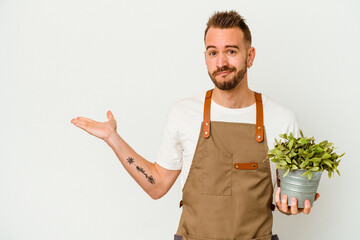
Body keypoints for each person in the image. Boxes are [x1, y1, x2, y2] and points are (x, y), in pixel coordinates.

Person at [71, 10, 320, 240]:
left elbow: (291, 197)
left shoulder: (281, 118)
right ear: (205, 57)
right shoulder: (183, 113)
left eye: (231, 51)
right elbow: (157, 186)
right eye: (213, 52)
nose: (221, 62)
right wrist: (112, 138)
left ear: (250, 56)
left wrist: (294, 205)